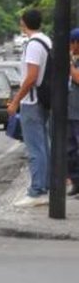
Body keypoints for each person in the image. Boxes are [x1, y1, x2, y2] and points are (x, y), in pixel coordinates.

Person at [7, 9, 52, 207]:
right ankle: (46, 186)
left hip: (32, 102)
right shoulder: (46, 40)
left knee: (35, 148)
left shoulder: (33, 45)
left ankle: (37, 190)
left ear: (23, 23)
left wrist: (16, 100)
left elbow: (31, 76)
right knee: (43, 145)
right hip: (42, 100)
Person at [68, 28, 79, 197]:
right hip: (70, 112)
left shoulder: (73, 63)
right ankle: (76, 182)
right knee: (69, 150)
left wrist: (68, 64)